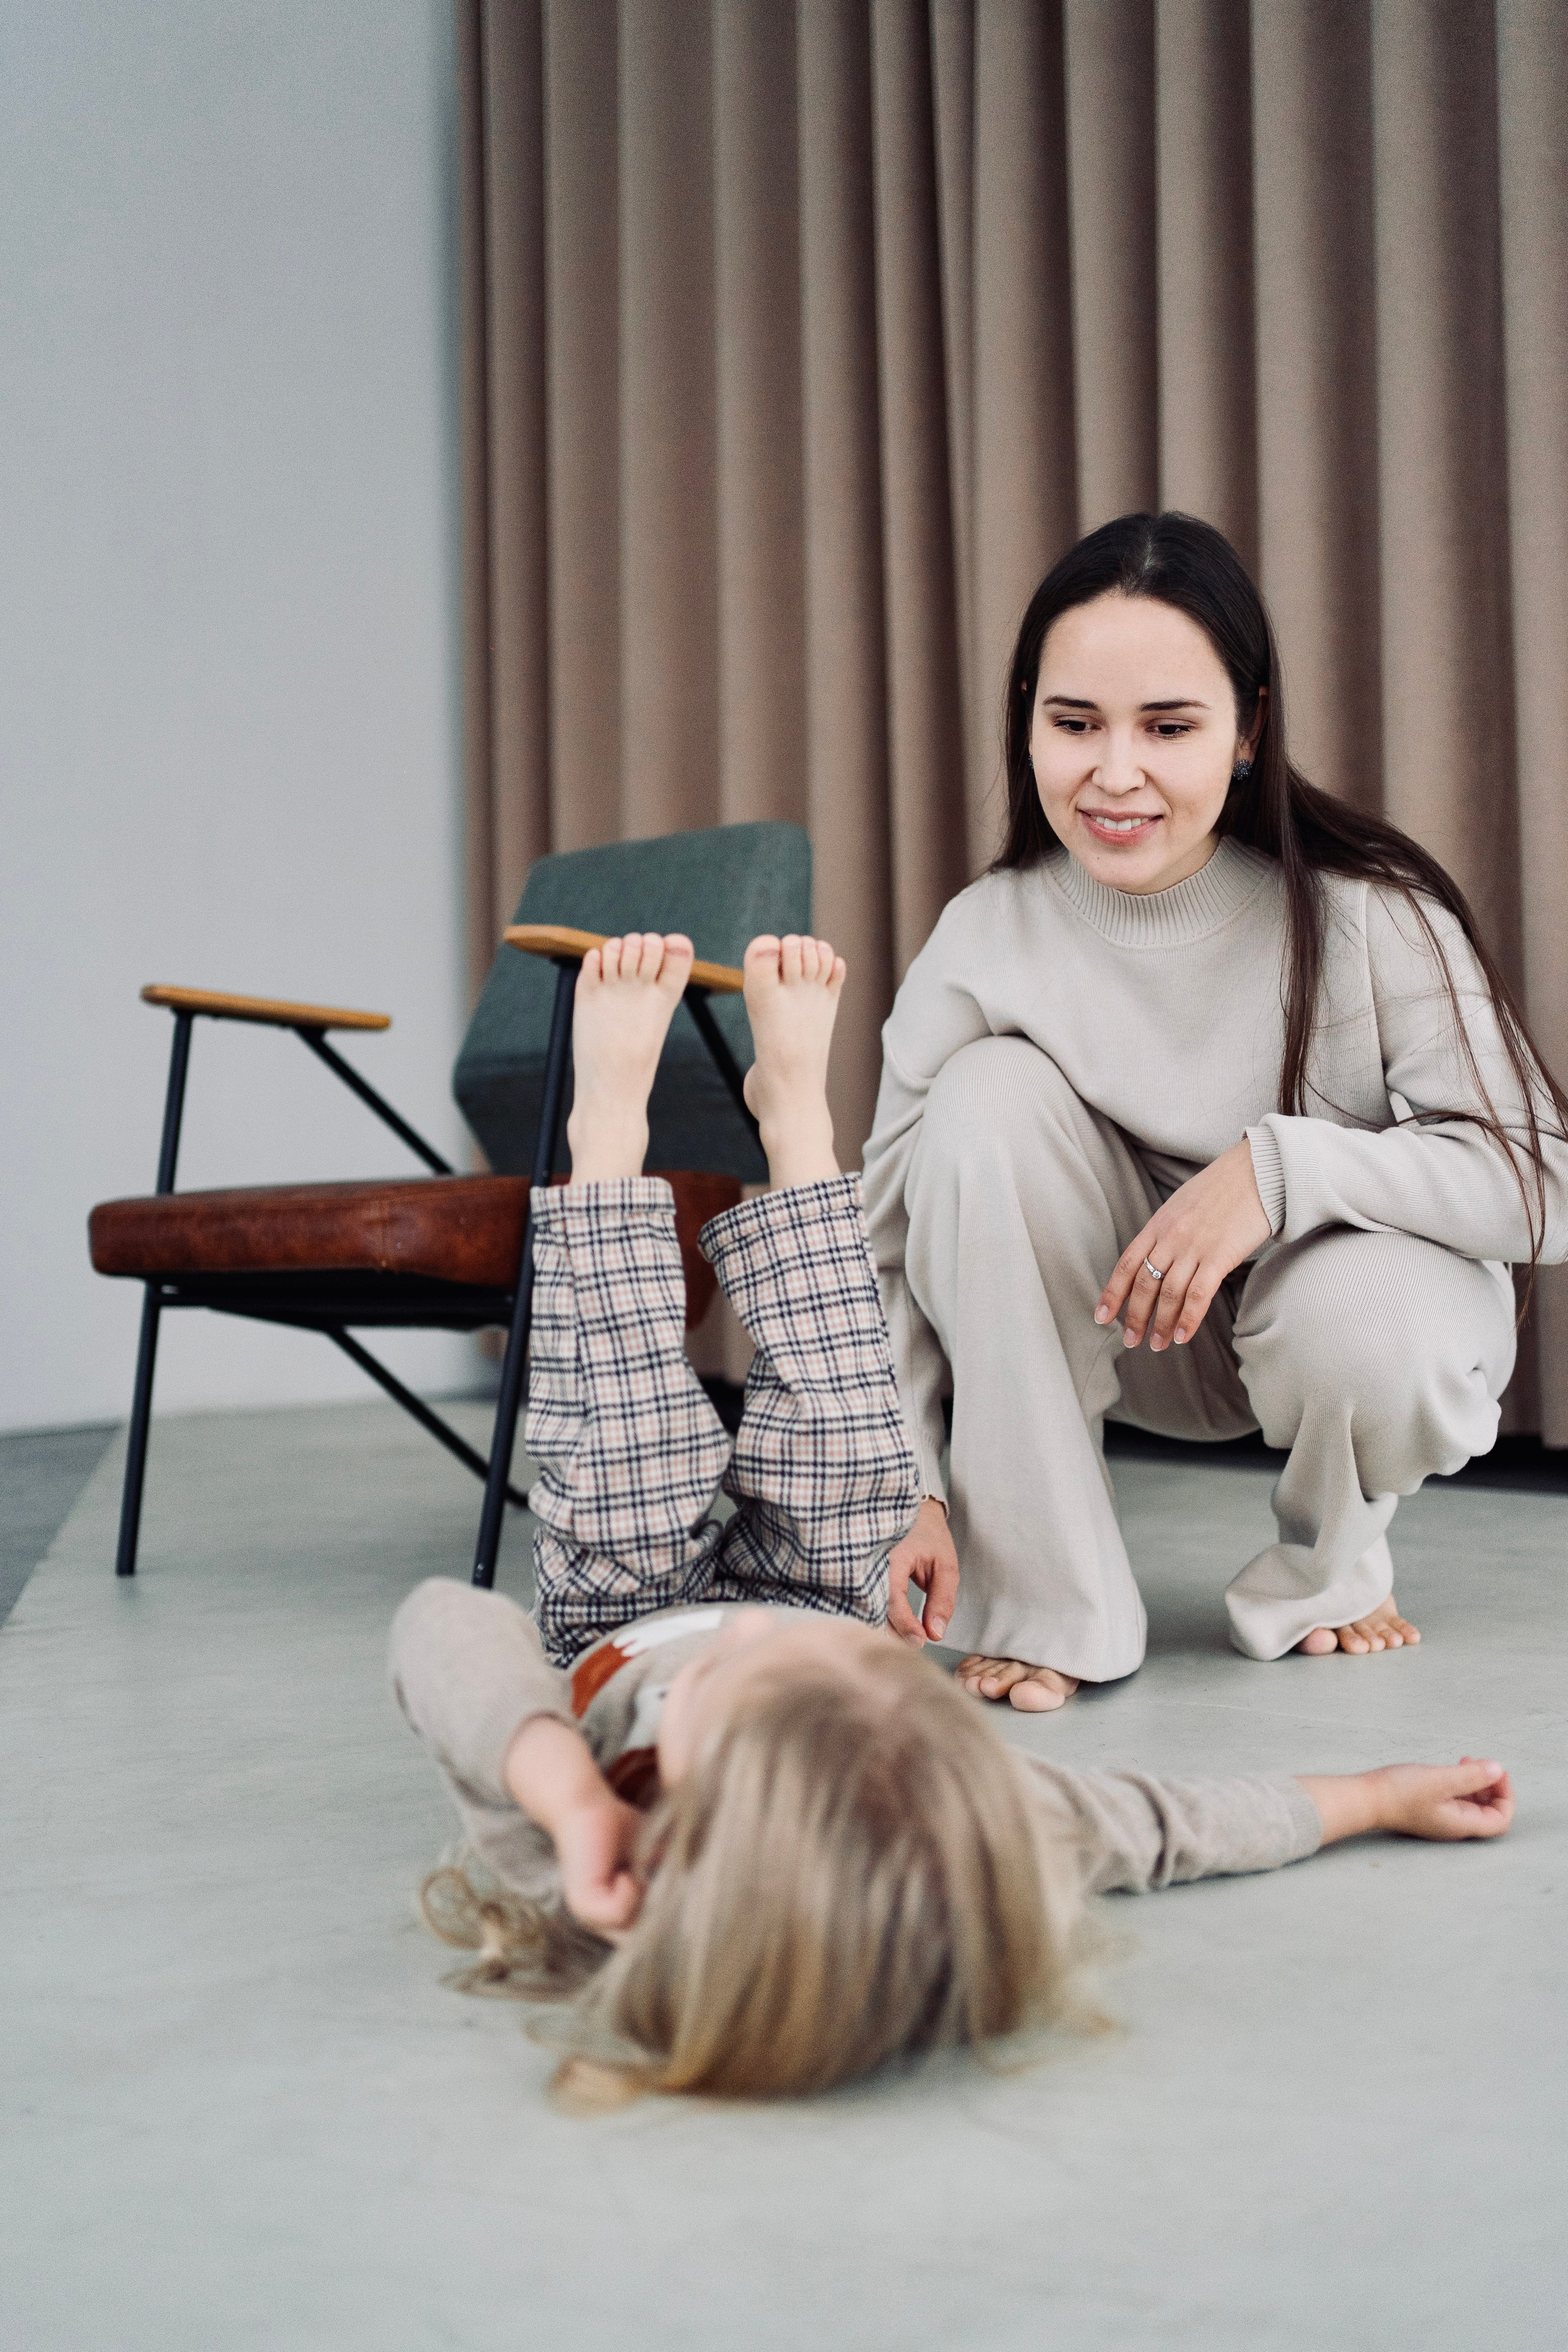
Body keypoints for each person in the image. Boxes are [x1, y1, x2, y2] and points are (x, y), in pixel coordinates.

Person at [391, 928, 1515, 2108]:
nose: (752, 1637)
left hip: (617, 1618)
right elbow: (1167, 1827)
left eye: (741, 1683)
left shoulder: (584, 1847)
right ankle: (797, 1134)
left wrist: (569, 1798)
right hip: (819, 1582)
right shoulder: (927, 1817)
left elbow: (443, 1630)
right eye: (830, 1677)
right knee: (848, 1436)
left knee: (623, 1438)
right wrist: (1376, 1799)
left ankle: (606, 1146)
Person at [865, 511, 1568, 1712]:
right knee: (980, 1100)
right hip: (1114, 1325)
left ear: (1247, 730)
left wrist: (1277, 1174)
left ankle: (1328, 1571)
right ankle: (1049, 1602)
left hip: (1328, 1331)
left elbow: (1540, 1184)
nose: (1114, 772)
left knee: (1377, 1316)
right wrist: (908, 1485)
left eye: (1168, 726)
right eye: (1074, 723)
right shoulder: (983, 935)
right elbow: (885, 1246)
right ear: (1026, 721)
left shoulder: (1368, 912)